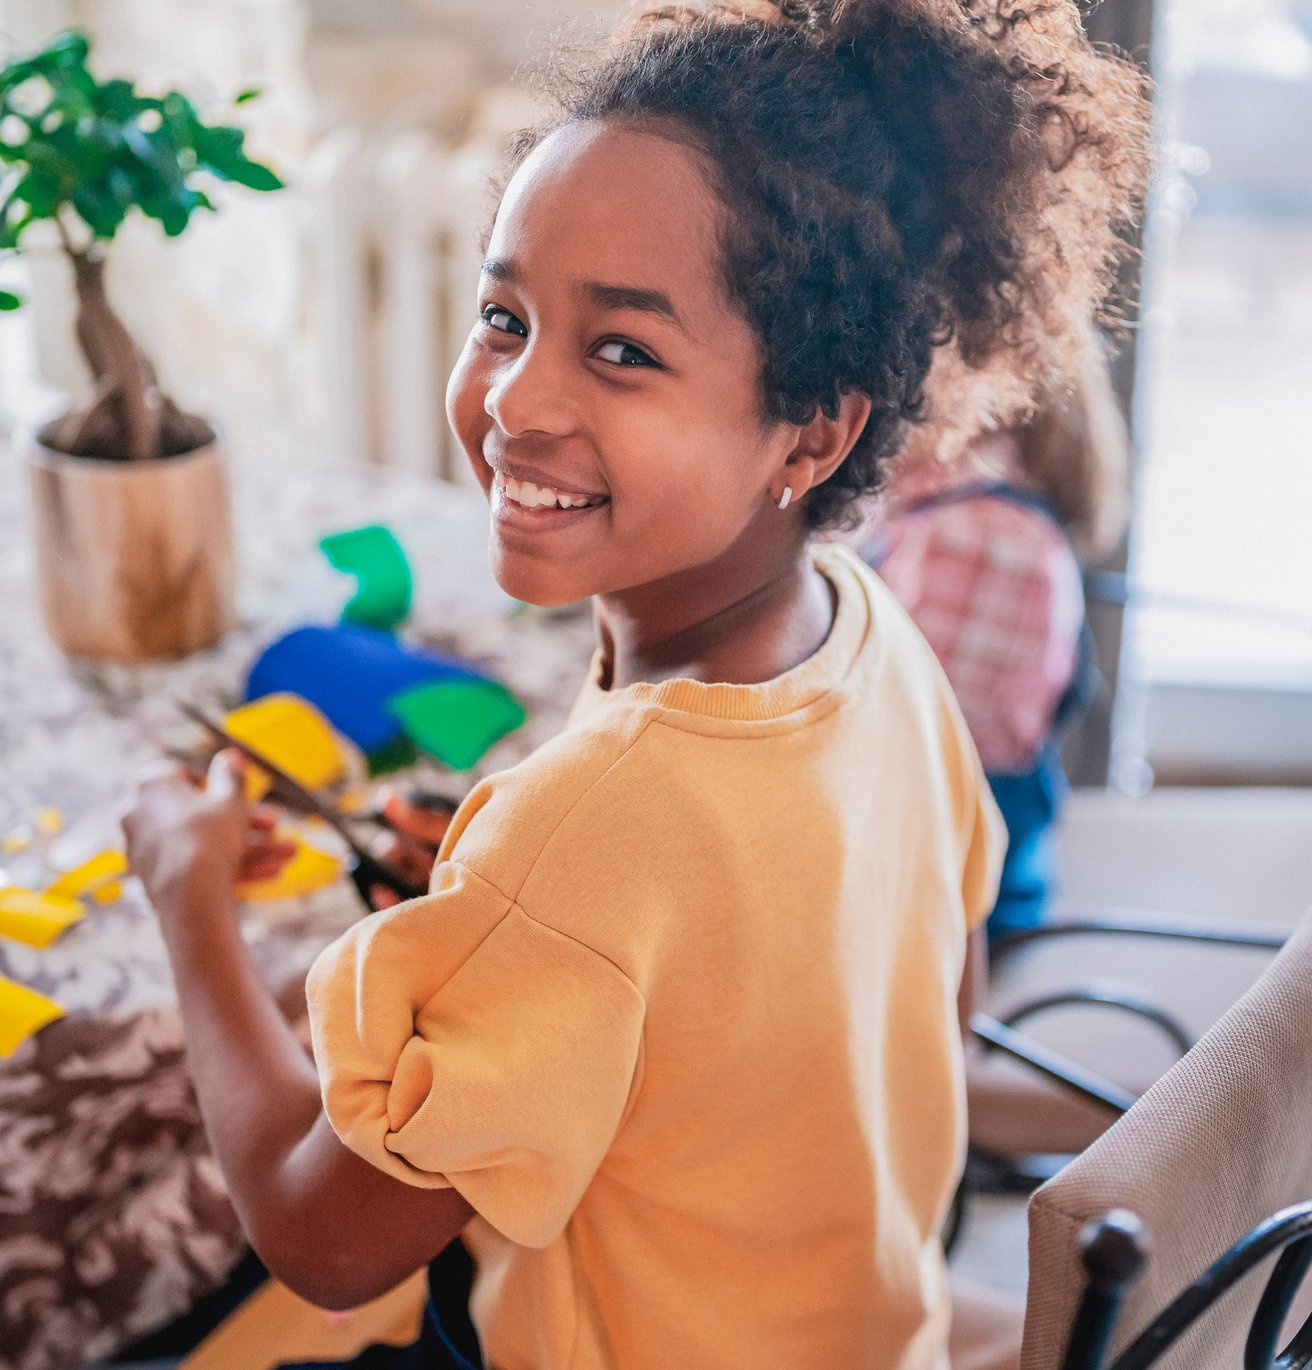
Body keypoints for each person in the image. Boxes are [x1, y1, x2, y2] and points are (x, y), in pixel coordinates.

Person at [119, 2, 1149, 1365]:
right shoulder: (868, 630)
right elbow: (923, 991)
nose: (514, 403)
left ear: (814, 426)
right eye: (504, 315)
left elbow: (325, 1239)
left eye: (622, 350)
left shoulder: (586, 832)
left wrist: (190, 897)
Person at [863, 344, 1132, 939]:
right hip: (957, 885)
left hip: (944, 910)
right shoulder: (974, 519)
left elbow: (911, 771)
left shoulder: (978, 539)